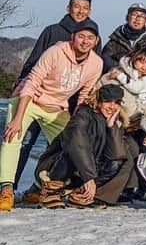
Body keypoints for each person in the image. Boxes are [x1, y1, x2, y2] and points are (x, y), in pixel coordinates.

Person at [0, 20, 103, 211]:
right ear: (73, 37)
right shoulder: (56, 52)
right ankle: (5, 188)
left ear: (96, 41)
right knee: (12, 137)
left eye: (90, 38)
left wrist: (77, 124)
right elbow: (32, 82)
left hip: (57, 107)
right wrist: (17, 119)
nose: (85, 41)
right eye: (81, 36)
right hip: (29, 99)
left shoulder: (96, 63)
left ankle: (38, 189)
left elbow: (83, 96)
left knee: (69, 145)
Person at [13, 0, 99, 195]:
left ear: (90, 11)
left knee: (58, 148)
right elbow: (35, 61)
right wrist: (22, 84)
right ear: (68, 8)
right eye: (77, 6)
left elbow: (92, 71)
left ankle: (40, 188)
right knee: (24, 142)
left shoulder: (92, 35)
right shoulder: (53, 31)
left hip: (65, 104)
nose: (81, 11)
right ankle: (11, 185)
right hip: (36, 97)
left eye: (85, 8)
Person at [35, 84, 134, 209]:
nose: (112, 107)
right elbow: (78, 145)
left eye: (117, 102)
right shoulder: (82, 115)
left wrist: (111, 127)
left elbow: (116, 155)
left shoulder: (114, 121)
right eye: (108, 101)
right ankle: (50, 193)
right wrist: (89, 177)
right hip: (56, 167)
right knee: (72, 151)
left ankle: (80, 195)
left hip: (86, 171)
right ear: (98, 100)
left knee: (119, 161)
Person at [102, 47, 146, 123]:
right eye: (141, 62)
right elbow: (128, 109)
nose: (144, 67)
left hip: (139, 121)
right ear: (134, 59)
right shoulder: (118, 74)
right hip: (117, 119)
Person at [101, 3, 146, 73]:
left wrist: (123, 57)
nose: (138, 18)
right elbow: (106, 61)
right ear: (127, 18)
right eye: (134, 15)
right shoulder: (115, 40)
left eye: (142, 16)